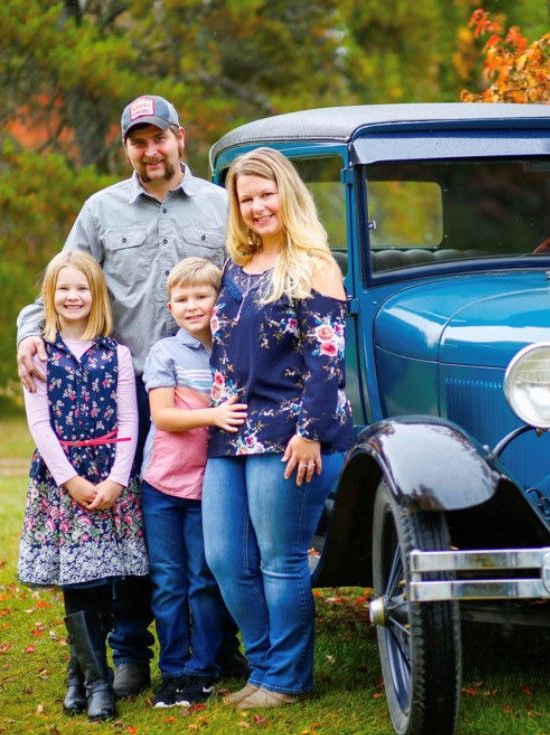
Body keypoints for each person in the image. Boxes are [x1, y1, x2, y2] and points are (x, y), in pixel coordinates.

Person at [15, 94, 246, 697]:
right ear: (127, 149)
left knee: (215, 518)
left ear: (180, 137)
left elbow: (250, 286)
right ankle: (129, 655)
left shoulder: (221, 207)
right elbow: (63, 283)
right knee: (134, 527)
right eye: (138, 142)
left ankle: (218, 645)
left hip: (210, 391)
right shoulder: (102, 211)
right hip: (130, 393)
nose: (150, 151)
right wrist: (27, 336)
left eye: (159, 137)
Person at [202, 147, 354, 710]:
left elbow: (328, 357)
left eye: (267, 194)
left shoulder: (313, 264)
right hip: (231, 432)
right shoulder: (234, 267)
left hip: (293, 432)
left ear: (287, 195)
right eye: (247, 198)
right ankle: (263, 667)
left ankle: (287, 679)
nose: (258, 206)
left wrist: (311, 431)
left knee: (280, 558)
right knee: (224, 558)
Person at [17, 251, 148, 721]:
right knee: (78, 577)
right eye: (63, 289)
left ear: (97, 295)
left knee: (105, 575)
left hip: (109, 475)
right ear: (50, 296)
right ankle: (97, 685)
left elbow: (130, 420)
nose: (73, 297)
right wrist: (70, 480)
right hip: (64, 479)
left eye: (83, 288)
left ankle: (78, 674)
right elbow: (39, 424)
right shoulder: (40, 354)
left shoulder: (117, 354)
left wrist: (115, 478)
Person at [141, 257, 249, 707]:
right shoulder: (166, 353)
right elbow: (163, 416)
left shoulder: (234, 349)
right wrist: (213, 414)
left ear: (218, 300)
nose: (191, 305)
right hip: (163, 485)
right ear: (170, 306)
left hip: (211, 485)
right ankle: (173, 670)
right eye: (181, 299)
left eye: (201, 296)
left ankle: (202, 670)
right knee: (169, 581)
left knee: (204, 579)